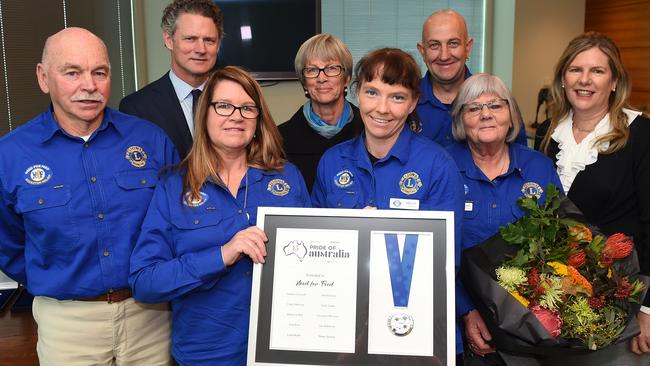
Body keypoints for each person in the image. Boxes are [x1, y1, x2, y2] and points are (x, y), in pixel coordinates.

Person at [0, 27, 178, 365]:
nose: (89, 86)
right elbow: (8, 243)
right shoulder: (10, 155)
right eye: (72, 72)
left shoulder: (150, 141)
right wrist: (57, 274)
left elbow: (176, 222)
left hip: (150, 316)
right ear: (43, 77)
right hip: (67, 323)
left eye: (100, 72)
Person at [129, 66, 311, 366]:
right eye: (224, 105)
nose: (236, 116)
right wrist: (222, 255)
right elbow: (145, 282)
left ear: (258, 118)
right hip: (208, 354)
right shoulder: (175, 186)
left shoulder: (287, 178)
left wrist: (356, 230)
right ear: (205, 114)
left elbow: (318, 257)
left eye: (247, 107)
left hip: (284, 348)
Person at [535, 32, 650, 363]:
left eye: (597, 71)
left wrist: (647, 308)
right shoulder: (547, 132)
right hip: (556, 298)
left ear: (614, 80)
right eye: (575, 69)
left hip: (621, 302)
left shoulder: (640, 135)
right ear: (563, 77)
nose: (584, 80)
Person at [447, 73, 562, 365]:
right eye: (473, 108)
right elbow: (435, 253)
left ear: (511, 116)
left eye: (496, 106)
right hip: (461, 319)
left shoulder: (539, 166)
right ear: (461, 121)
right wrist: (466, 311)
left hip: (532, 320)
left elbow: (561, 241)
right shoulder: (443, 166)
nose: (485, 114)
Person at [120, 0, 223, 158]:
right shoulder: (137, 108)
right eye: (190, 39)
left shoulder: (236, 100)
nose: (201, 49)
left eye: (209, 40)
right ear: (169, 40)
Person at [416, 9, 527, 147]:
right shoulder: (406, 101)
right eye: (434, 45)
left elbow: (520, 159)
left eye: (453, 43)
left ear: (468, 47)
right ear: (422, 51)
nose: (444, 56)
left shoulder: (499, 102)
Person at [279, 33, 363, 191]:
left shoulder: (368, 131)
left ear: (346, 78)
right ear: (304, 82)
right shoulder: (279, 140)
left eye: (331, 68)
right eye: (312, 70)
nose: (321, 78)